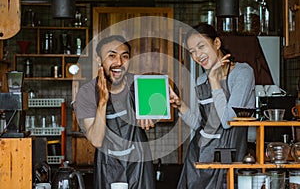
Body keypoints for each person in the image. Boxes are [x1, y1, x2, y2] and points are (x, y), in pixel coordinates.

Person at [169, 23, 255, 189]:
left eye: (201, 46)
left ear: (217, 43)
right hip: (199, 159)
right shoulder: (201, 81)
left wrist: (214, 80)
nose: (197, 55)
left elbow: (227, 121)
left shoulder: (242, 73)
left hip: (230, 161)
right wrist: (180, 105)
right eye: (192, 51)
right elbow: (200, 126)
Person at [75, 35, 155, 189]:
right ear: (99, 60)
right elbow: (96, 140)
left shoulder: (140, 85)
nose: (119, 62)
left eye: (124, 56)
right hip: (107, 164)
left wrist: (152, 114)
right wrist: (103, 102)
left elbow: (160, 105)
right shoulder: (86, 93)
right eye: (111, 56)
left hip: (139, 161)